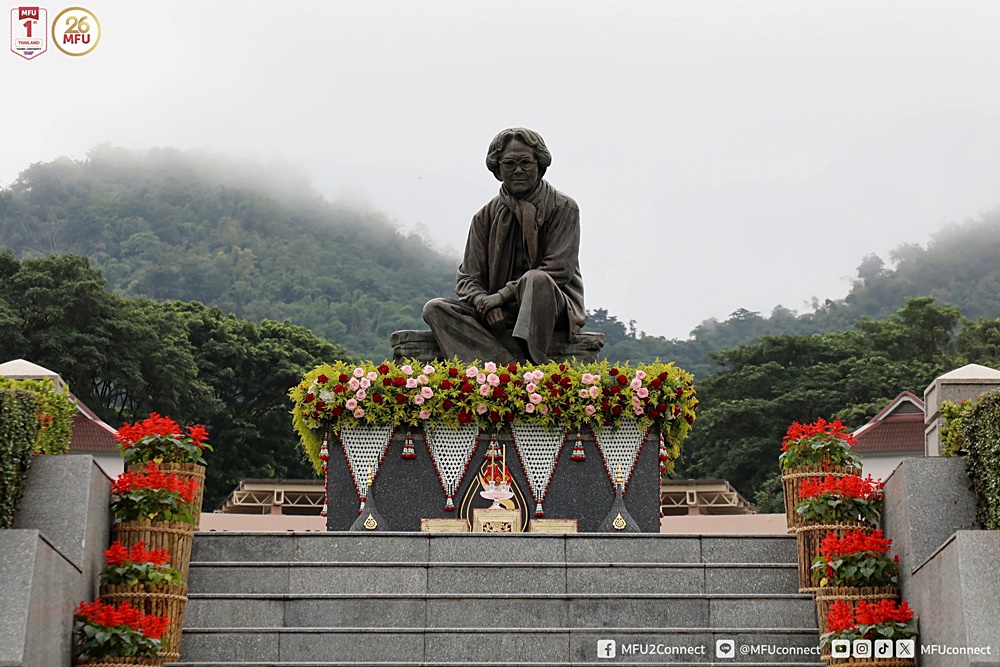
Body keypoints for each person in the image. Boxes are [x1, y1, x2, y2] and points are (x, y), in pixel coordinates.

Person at [423, 128, 586, 364]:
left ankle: (532, 363)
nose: (518, 170)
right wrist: (484, 303)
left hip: (549, 305)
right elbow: (468, 278)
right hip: (496, 308)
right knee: (435, 309)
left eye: (526, 163)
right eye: (509, 163)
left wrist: (500, 297)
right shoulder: (484, 217)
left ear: (540, 165)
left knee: (536, 279)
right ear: (498, 169)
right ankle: (504, 368)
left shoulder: (563, 207)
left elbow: (559, 269)